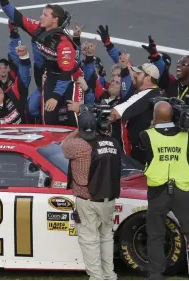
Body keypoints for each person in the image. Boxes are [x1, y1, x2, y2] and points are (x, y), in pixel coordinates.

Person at [139, 101, 189, 280]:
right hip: (182, 187)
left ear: (154, 117)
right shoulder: (186, 134)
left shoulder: (146, 134)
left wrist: (153, 125)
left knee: (156, 233)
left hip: (158, 188)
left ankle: (156, 274)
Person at [0, 0, 84, 127]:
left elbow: (66, 73)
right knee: (48, 117)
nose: (40, 17)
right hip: (51, 75)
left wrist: (55, 96)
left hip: (71, 78)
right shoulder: (38, 29)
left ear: (55, 20)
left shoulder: (64, 44)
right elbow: (18, 18)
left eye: (45, 15)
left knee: (73, 116)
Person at [61, 109, 121, 280]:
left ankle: (96, 277)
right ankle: (110, 275)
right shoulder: (112, 142)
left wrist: (78, 130)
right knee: (106, 237)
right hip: (108, 197)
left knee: (89, 240)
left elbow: (63, 145)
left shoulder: (77, 145)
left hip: (87, 199)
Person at [109, 63, 164, 164]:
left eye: (138, 74)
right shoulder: (159, 93)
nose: (134, 76)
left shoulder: (145, 94)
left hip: (135, 157)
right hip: (151, 153)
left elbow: (115, 114)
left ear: (148, 78)